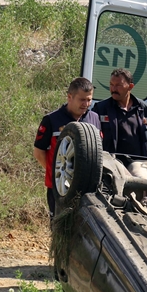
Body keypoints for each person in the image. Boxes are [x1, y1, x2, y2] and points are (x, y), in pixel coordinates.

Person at [34, 77, 100, 214]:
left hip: (86, 189)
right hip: (59, 189)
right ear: (70, 97)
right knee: (59, 227)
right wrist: (58, 173)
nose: (86, 104)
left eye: (89, 100)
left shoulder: (94, 118)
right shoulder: (51, 120)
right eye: (82, 100)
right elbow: (39, 152)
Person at [92, 68, 147, 158]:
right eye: (111, 84)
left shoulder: (142, 107)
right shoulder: (101, 108)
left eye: (118, 85)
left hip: (136, 164)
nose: (113, 89)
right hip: (111, 164)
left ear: (130, 86)